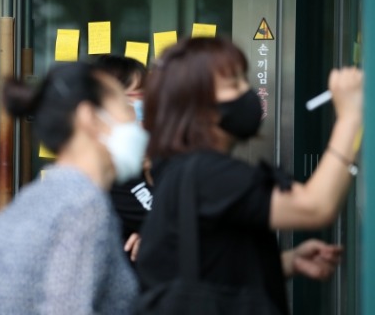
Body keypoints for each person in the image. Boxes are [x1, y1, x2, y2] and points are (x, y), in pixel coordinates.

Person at [136, 37, 360, 314]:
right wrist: (351, 117)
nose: (247, 92)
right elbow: (316, 207)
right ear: (196, 106)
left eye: (245, 80)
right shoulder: (209, 173)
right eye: (233, 85)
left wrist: (288, 262)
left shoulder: (181, 168)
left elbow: (212, 267)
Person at [0, 62, 148, 314]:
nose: (141, 120)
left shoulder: (35, 199)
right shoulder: (84, 207)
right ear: (90, 118)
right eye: (128, 107)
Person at [94, 54, 153, 262]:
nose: (143, 109)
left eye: (146, 99)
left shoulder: (147, 159)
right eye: (132, 100)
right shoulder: (107, 174)